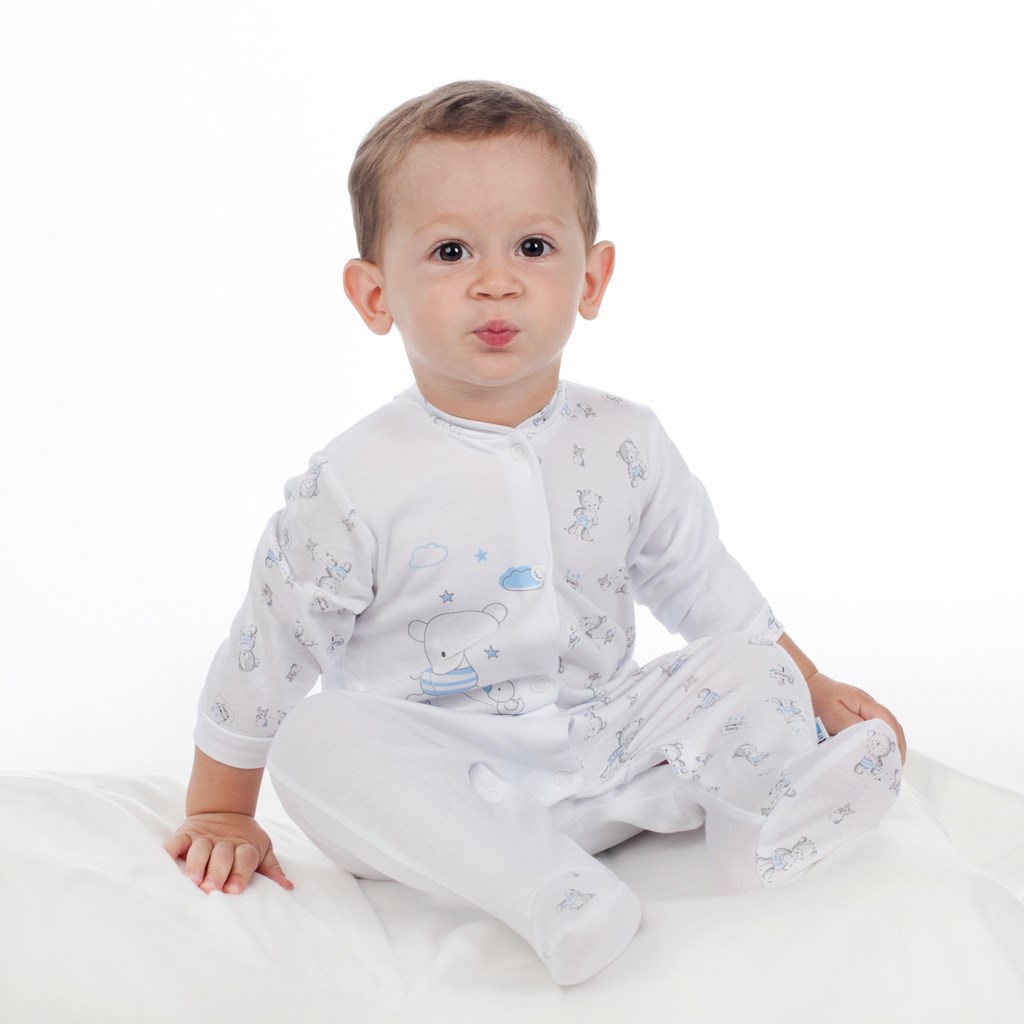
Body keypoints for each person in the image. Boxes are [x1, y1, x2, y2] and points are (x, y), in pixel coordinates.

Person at [164, 80, 906, 986]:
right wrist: (222, 810)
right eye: (449, 251)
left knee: (751, 667)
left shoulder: (626, 439)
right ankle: (553, 893)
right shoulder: (355, 480)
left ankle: (765, 830)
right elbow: (272, 645)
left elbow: (703, 583)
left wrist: (811, 686)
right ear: (374, 294)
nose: (497, 280)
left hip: (605, 747)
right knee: (317, 740)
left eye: (534, 246)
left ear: (590, 279)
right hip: (438, 781)